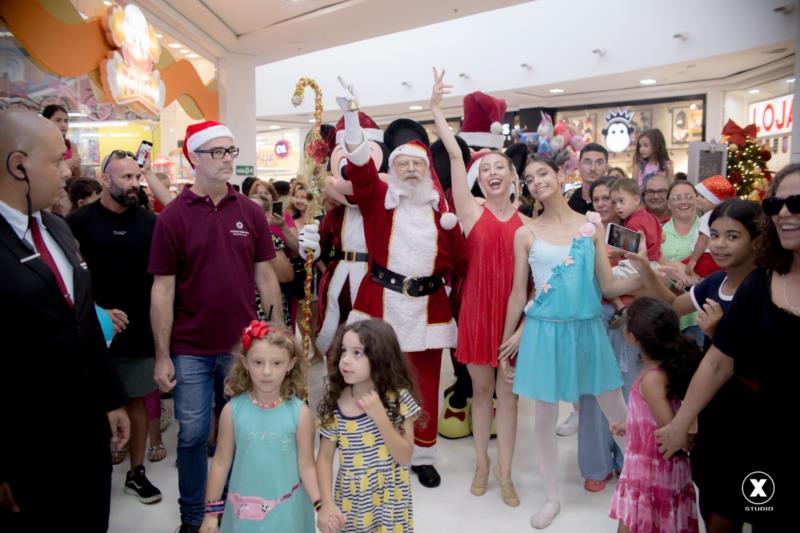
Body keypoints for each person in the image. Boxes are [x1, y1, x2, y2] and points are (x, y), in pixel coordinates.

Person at [149, 120, 284, 532]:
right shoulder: (172, 218)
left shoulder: (249, 212)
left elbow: (266, 276)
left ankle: (227, 511)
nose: (228, 160)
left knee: (239, 432)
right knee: (191, 435)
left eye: (231, 151)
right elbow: (162, 291)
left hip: (241, 348)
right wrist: (161, 355)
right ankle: (193, 517)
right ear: (195, 157)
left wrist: (276, 332)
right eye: (218, 152)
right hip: (190, 348)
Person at [332, 81, 466, 488]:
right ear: (393, 168)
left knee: (423, 383)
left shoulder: (440, 212)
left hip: (428, 308)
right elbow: (359, 168)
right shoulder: (377, 200)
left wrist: (453, 230)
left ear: (428, 172)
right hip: (381, 304)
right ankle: (372, 444)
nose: (410, 170)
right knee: (373, 377)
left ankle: (422, 453)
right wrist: (352, 116)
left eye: (418, 165)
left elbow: (458, 261)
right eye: (403, 163)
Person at [0, 109, 129, 531]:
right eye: (57, 160)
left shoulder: (56, 227)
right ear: (18, 165)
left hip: (86, 432)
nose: (68, 169)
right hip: (28, 445)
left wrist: (112, 399)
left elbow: (83, 323)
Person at [654, 164, 800, 531]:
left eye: (796, 202)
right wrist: (683, 422)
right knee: (726, 512)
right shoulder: (759, 284)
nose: (785, 212)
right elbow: (719, 361)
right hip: (739, 432)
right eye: (777, 202)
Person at [501, 157, 638, 528]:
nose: (537, 181)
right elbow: (518, 294)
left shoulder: (590, 227)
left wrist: (651, 276)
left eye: (543, 173)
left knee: (617, 410)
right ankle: (551, 498)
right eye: (529, 178)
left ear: (560, 177)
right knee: (544, 418)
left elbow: (608, 286)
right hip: (544, 332)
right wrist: (506, 342)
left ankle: (638, 483)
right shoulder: (524, 232)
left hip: (588, 329)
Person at [430, 68, 523, 506]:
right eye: (485, 169)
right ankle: (482, 465)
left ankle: (505, 473)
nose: (491, 173)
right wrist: (434, 109)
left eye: (498, 167)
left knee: (510, 398)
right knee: (481, 392)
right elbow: (452, 154)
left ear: (512, 175)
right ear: (478, 176)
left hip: (514, 319)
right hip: (477, 312)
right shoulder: (469, 211)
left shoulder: (528, 221)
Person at [67, 149, 162, 504]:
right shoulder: (78, 221)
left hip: (138, 333)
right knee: (92, 406)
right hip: (91, 333)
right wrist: (96, 311)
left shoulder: (150, 223)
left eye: (136, 177)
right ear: (105, 179)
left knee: (137, 404)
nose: (133, 184)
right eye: (125, 177)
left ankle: (136, 474)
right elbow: (67, 278)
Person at [200, 321, 318, 533]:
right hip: (244, 512)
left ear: (291, 364)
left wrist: (322, 505)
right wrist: (211, 513)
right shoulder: (232, 411)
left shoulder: (300, 413)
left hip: (287, 512)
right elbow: (220, 462)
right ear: (244, 362)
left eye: (276, 363)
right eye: (258, 362)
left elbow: (307, 465)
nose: (266, 371)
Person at [317, 319, 421, 533]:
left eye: (357, 353)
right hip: (352, 501)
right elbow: (325, 458)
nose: (345, 360)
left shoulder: (399, 398)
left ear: (380, 358)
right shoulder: (337, 400)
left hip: (390, 501)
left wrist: (380, 416)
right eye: (344, 351)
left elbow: (405, 456)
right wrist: (326, 504)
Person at [608, 297, 700, 533]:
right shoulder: (666, 367)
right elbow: (655, 416)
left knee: (635, 520)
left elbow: (669, 429)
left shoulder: (652, 379)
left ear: (632, 338)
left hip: (652, 470)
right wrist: (631, 425)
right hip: (656, 467)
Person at [685, 175, 736, 278]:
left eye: (703, 197)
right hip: (714, 258)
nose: (698, 199)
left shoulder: (708, 217)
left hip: (705, 257)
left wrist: (693, 260)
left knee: (681, 267)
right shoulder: (720, 215)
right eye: (698, 195)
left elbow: (703, 239)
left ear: (715, 200)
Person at [610, 178, 663, 263]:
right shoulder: (651, 217)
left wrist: (616, 252)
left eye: (621, 201)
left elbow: (632, 250)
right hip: (655, 262)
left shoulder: (633, 224)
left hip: (638, 265)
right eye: (614, 203)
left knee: (611, 274)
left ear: (636, 200)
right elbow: (662, 237)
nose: (618, 206)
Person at [568, 143, 608, 215]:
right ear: (579, 165)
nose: (593, 168)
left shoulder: (613, 202)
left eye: (599, 163)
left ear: (606, 168)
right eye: (587, 162)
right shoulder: (567, 199)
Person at [41, 104, 81, 176]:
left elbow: (77, 174)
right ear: (46, 121)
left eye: (66, 121)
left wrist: (75, 166)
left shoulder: (70, 145)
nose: (63, 125)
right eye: (58, 120)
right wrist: (67, 164)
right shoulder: (40, 145)